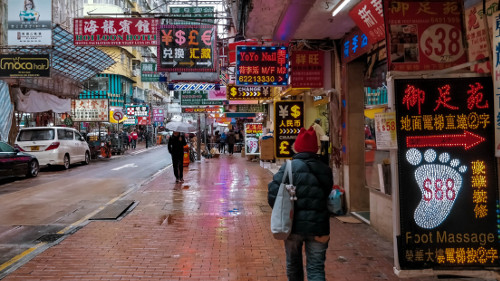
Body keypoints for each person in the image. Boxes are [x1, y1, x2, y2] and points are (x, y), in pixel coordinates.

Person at [268, 126, 333, 281]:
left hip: (292, 226)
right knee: (316, 268)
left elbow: (273, 195)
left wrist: (282, 209)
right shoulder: (325, 169)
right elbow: (326, 194)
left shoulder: (288, 167)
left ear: (296, 147)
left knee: (293, 265)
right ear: (315, 149)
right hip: (319, 226)